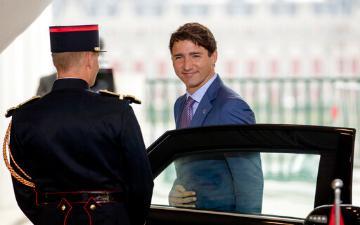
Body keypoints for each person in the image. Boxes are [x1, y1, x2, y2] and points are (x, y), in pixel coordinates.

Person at [4, 24, 153, 225]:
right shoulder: (117, 111)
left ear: (56, 62)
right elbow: (141, 182)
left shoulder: (24, 116)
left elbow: (23, 188)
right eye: (97, 58)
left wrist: (48, 216)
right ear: (89, 59)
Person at [168, 22, 263, 213]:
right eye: (179, 57)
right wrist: (176, 191)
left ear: (214, 56)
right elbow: (191, 166)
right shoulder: (181, 105)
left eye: (195, 56)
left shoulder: (231, 107)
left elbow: (249, 182)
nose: (186, 65)